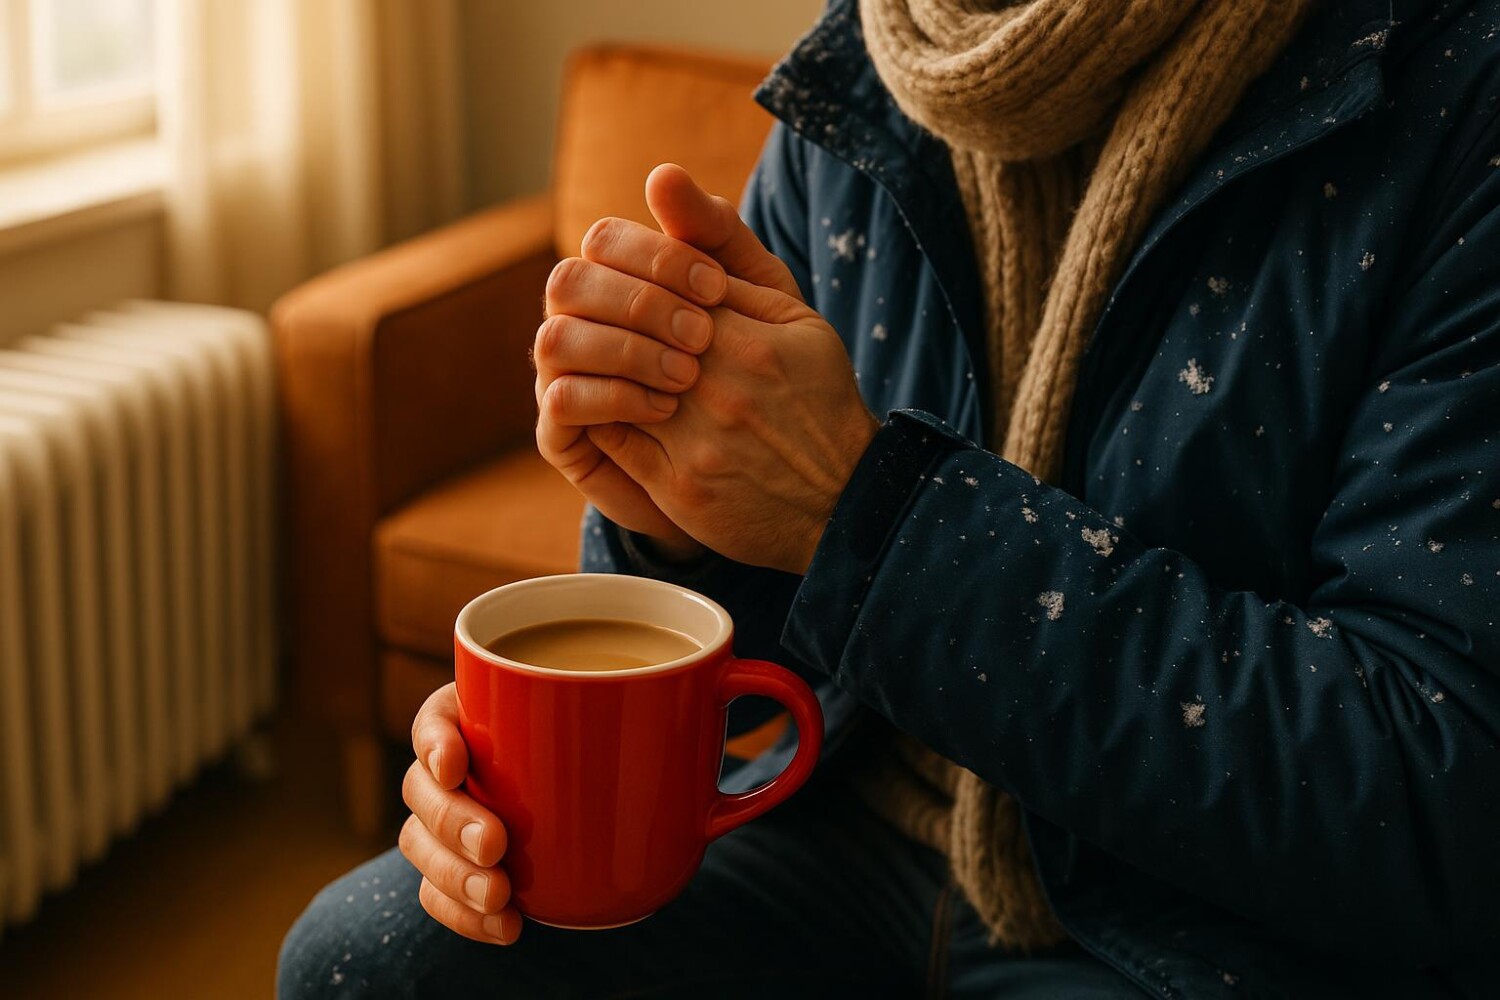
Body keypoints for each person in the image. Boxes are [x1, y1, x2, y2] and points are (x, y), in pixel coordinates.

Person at [279, 0, 1500, 995]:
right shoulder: (865, 61)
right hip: (847, 824)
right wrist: (675, 529)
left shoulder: (1450, 90)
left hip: (1194, 922)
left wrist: (864, 505)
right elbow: (776, 608)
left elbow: (1440, 795)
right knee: (364, 961)